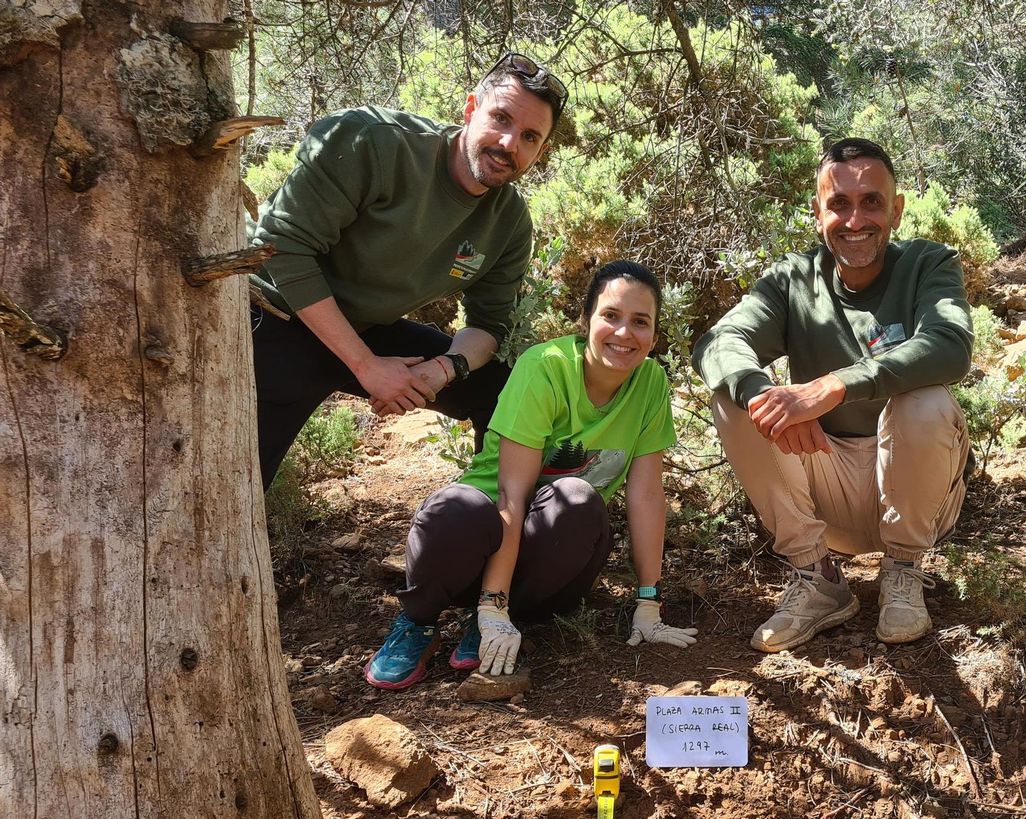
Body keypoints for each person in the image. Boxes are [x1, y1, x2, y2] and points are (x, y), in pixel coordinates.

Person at [692, 137, 973, 653]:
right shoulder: (792, 281)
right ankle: (817, 577)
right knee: (736, 398)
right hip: (826, 477)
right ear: (817, 211)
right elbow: (718, 342)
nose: (856, 218)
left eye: (872, 201)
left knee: (925, 399)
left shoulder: (928, 265)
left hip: (916, 491)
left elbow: (949, 346)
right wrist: (765, 397)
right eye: (839, 203)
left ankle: (903, 571)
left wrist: (832, 387)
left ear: (897, 208)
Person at [365, 260, 697, 689]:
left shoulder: (650, 383)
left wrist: (648, 600)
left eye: (640, 322)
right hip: (479, 538)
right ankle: (419, 621)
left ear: (653, 334)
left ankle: (495, 619)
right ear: (586, 320)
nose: (624, 333)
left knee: (578, 500)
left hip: (542, 561)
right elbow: (510, 496)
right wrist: (492, 603)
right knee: (455, 508)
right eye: (610, 316)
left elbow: (647, 495)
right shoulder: (545, 367)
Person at [248, 52, 568, 486]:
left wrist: (441, 370)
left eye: (530, 136)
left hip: (368, 327)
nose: (510, 144)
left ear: (541, 149)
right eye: (501, 119)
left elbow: (489, 325)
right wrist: (367, 366)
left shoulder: (508, 222)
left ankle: (487, 522)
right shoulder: (371, 142)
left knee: (501, 391)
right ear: (471, 108)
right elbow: (280, 246)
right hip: (274, 316)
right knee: (237, 486)